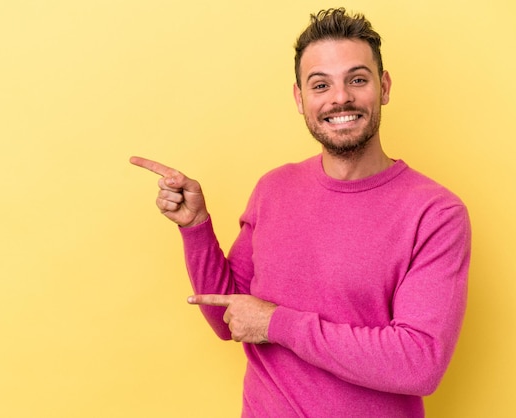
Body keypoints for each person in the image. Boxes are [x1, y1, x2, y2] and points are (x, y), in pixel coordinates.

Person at [130, 8, 470, 417]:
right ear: (300, 98)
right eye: (320, 84)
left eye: (357, 79)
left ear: (384, 87)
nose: (339, 97)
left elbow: (418, 363)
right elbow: (231, 320)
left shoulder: (435, 213)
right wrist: (196, 228)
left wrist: (278, 324)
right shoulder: (273, 188)